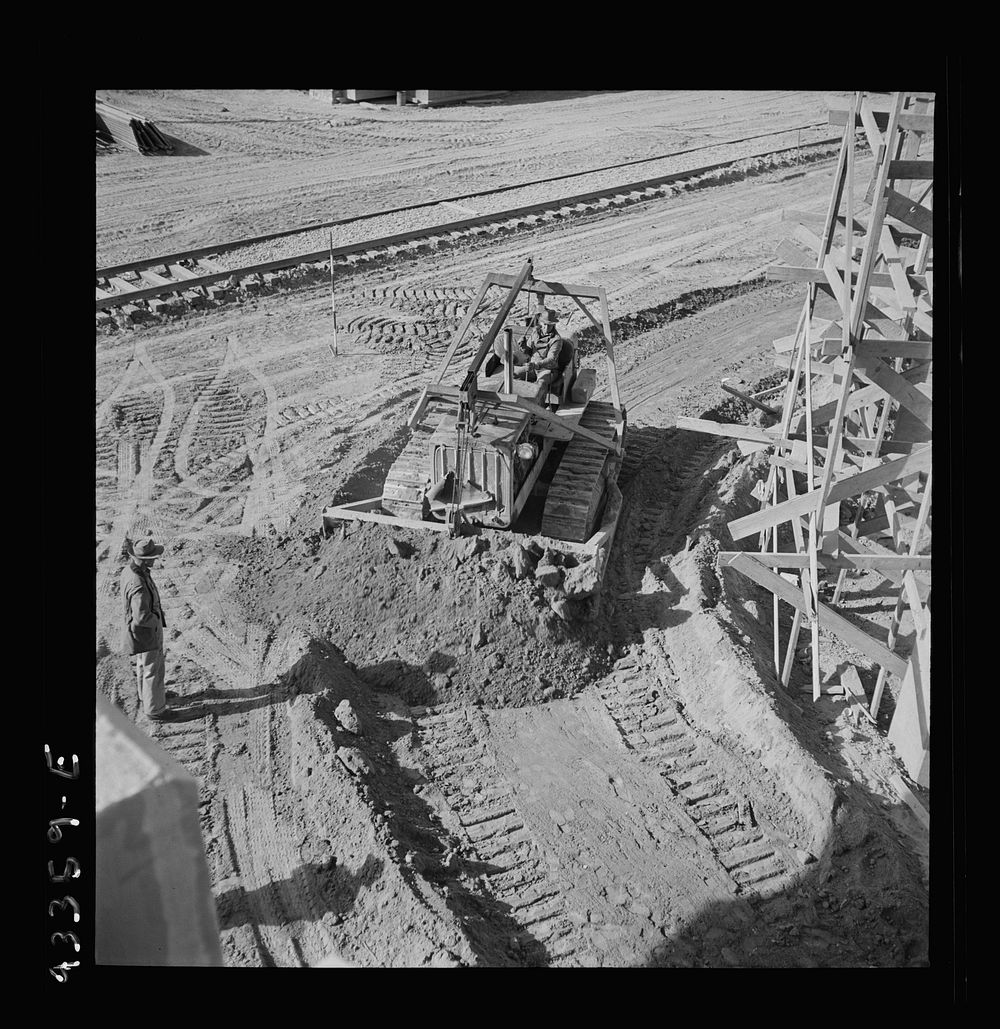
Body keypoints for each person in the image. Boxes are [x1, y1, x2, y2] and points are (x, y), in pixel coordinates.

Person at [121, 536, 175, 722]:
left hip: (138, 631)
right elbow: (142, 616)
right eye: (152, 557)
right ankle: (155, 709)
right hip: (147, 631)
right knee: (153, 668)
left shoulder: (130, 571)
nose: (155, 559)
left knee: (144, 665)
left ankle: (147, 696)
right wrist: (157, 622)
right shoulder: (138, 583)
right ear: (144, 559)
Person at [515, 306, 564, 393]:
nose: (546, 328)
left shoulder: (556, 339)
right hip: (532, 368)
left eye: (549, 325)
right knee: (514, 376)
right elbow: (528, 351)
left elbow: (551, 359)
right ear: (541, 323)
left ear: (553, 325)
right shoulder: (535, 333)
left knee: (540, 385)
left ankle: (536, 405)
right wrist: (523, 346)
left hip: (547, 370)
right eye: (545, 324)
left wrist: (536, 365)